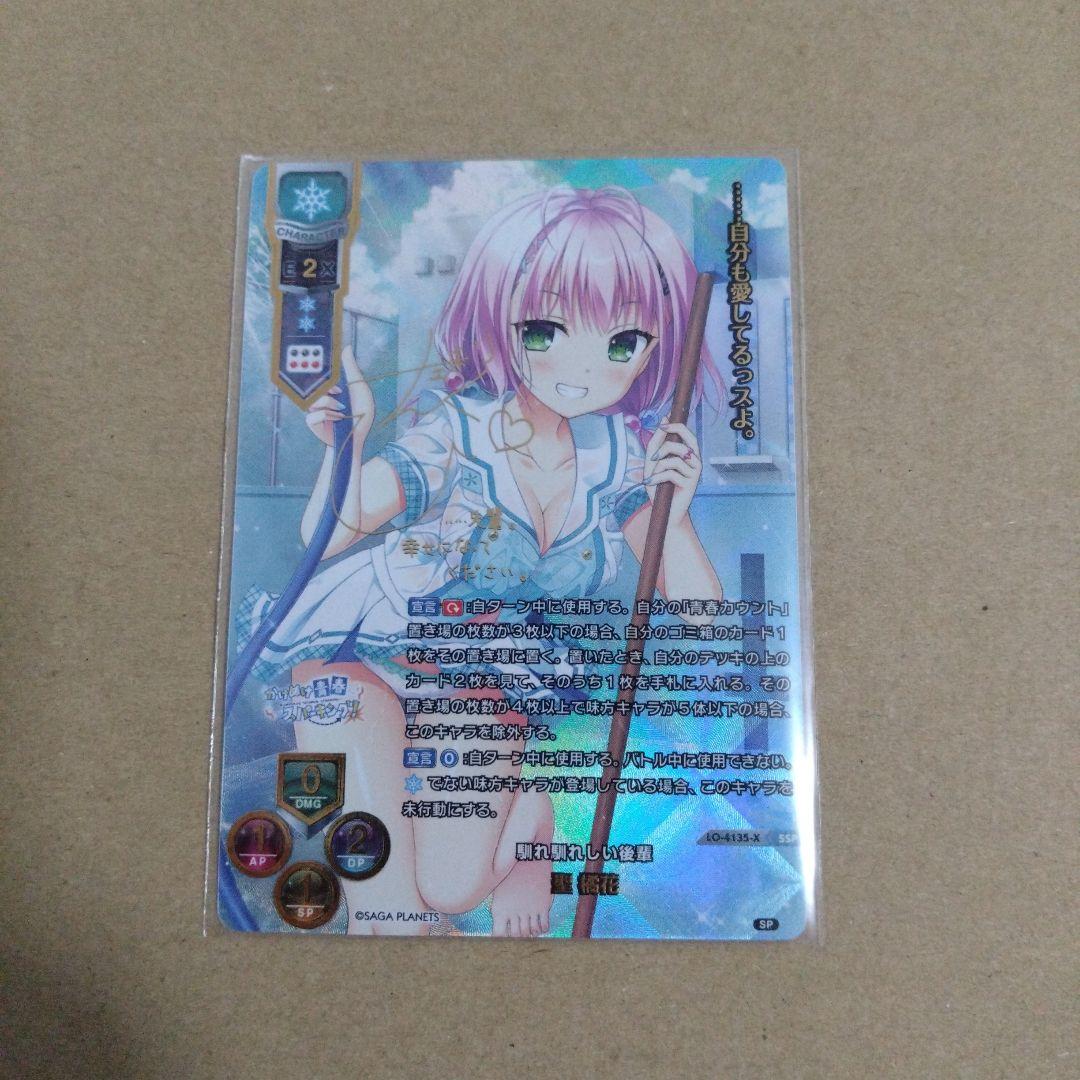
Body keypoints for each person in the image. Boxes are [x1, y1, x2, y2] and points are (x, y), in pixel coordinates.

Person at [247, 186, 724, 936]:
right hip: (360, 654)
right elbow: (325, 537)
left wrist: (679, 505)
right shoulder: (459, 432)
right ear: (501, 318)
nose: (580, 369)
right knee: (392, 919)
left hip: (477, 682)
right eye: (546, 329)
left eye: (622, 343)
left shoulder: (623, 462)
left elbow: (703, 619)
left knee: (450, 890)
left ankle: (532, 818)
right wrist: (347, 447)